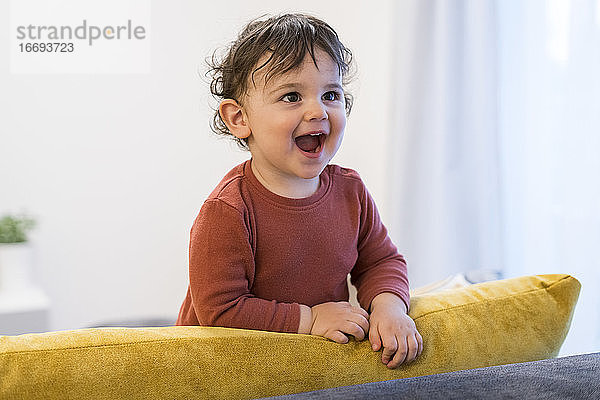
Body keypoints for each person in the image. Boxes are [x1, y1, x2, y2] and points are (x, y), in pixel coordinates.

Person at [176, 13, 423, 368]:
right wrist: (310, 319)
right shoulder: (226, 211)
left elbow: (381, 261)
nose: (317, 110)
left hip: (311, 363)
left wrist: (388, 306)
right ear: (239, 119)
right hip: (221, 369)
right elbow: (220, 310)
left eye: (331, 94)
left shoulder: (350, 191)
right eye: (292, 96)